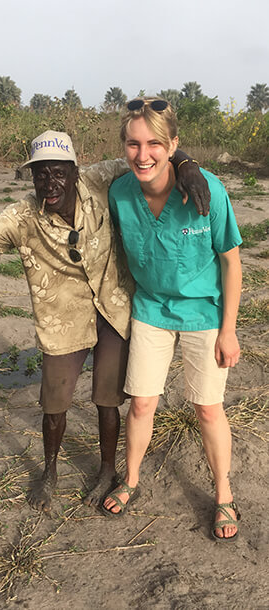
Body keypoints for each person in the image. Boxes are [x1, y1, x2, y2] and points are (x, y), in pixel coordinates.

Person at [0, 129, 210, 513]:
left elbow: (149, 158)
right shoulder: (23, 216)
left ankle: (107, 470)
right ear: (32, 178)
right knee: (55, 404)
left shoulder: (99, 179)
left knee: (107, 400)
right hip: (62, 320)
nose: (50, 183)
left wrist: (187, 164)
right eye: (40, 175)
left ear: (75, 170)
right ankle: (48, 471)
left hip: (114, 310)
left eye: (58, 173)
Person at [104, 99, 242, 541]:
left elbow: (231, 262)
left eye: (155, 144)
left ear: (173, 144)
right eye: (133, 144)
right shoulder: (119, 192)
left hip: (204, 312)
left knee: (207, 408)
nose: (142, 155)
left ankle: (223, 494)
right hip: (151, 309)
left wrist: (229, 329)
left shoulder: (206, 190)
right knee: (142, 402)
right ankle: (131, 479)